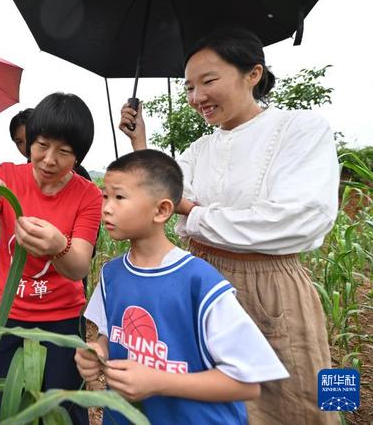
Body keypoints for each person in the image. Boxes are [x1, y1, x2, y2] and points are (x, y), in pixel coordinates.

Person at [119, 28, 339, 425]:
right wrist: (141, 142)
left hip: (270, 286)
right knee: (204, 400)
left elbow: (300, 219)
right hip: (200, 279)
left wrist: (192, 211)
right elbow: (161, 187)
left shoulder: (301, 129)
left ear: (253, 74)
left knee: (294, 402)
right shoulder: (200, 148)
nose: (196, 97)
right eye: (188, 87)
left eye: (208, 81)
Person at [75, 149, 288, 424]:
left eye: (119, 197)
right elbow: (110, 335)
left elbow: (246, 383)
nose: (106, 207)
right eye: (105, 196)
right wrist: (98, 352)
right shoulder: (111, 274)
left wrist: (159, 382)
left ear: (162, 210)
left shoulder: (200, 282)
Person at [0, 92, 101, 425]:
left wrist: (59, 246)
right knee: (7, 406)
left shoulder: (88, 194)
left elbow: (79, 266)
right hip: (7, 315)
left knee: (62, 409)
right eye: (41, 145)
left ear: (78, 155)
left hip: (62, 320)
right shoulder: (8, 177)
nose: (49, 160)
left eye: (64, 152)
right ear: (29, 143)